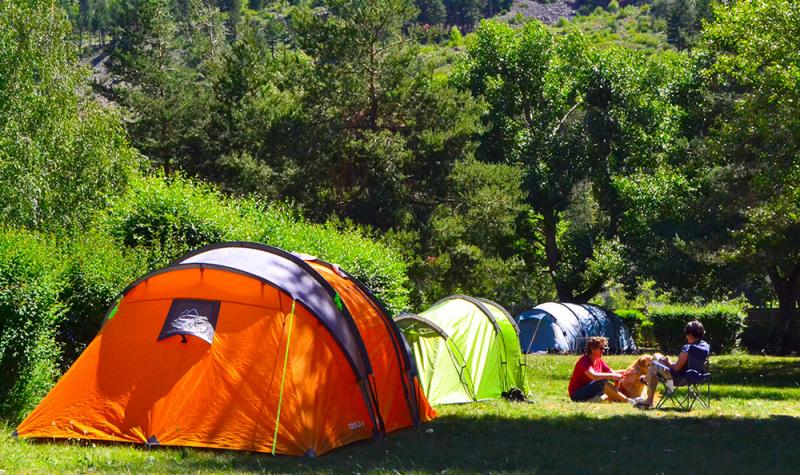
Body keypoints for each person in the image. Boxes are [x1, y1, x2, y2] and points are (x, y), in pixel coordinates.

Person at [636, 320, 711, 409]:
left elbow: (676, 368)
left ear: (690, 334)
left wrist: (668, 363)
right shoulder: (705, 346)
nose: (686, 336)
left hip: (680, 377)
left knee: (653, 363)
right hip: (698, 376)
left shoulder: (688, 348)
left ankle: (648, 395)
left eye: (687, 334)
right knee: (656, 357)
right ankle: (647, 384)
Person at [568, 336, 635, 403]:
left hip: (589, 390)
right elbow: (594, 376)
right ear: (592, 349)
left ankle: (592, 400)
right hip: (576, 394)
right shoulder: (584, 361)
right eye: (601, 348)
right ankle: (628, 400)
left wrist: (630, 371)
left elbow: (612, 372)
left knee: (606, 393)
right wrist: (612, 376)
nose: (603, 351)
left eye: (604, 348)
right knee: (602, 381)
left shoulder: (599, 361)